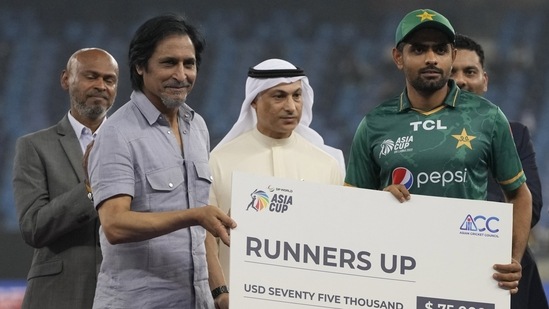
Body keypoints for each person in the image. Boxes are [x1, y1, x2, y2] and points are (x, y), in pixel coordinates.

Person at [345, 9, 532, 295]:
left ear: (452, 56)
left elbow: (519, 193)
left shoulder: (488, 117)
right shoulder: (373, 124)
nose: (431, 58)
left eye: (440, 49)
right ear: (398, 57)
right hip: (395, 279)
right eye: (419, 49)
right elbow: (350, 204)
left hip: (469, 277)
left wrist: (513, 258)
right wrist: (376, 204)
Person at [87, 14, 236, 309]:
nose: (181, 75)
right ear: (140, 66)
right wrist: (193, 215)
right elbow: (115, 224)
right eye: (169, 63)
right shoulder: (117, 133)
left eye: (189, 64)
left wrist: (219, 291)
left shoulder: (198, 127)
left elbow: (201, 230)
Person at [209, 58, 345, 284]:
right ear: (254, 101)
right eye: (279, 96)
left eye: (297, 95)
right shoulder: (218, 161)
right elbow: (206, 242)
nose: (291, 107)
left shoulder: (327, 164)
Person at [12, 48, 119, 308]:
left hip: (123, 293)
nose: (101, 86)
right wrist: (90, 188)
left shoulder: (132, 144)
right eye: (91, 76)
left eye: (109, 80)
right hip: (58, 295)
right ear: (65, 79)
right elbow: (34, 227)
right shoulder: (34, 146)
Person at [451, 33, 548, 308]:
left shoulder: (514, 134)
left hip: (503, 271)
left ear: (485, 81)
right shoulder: (417, 142)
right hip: (440, 266)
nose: (461, 80)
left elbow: (533, 206)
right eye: (452, 73)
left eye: (470, 71)